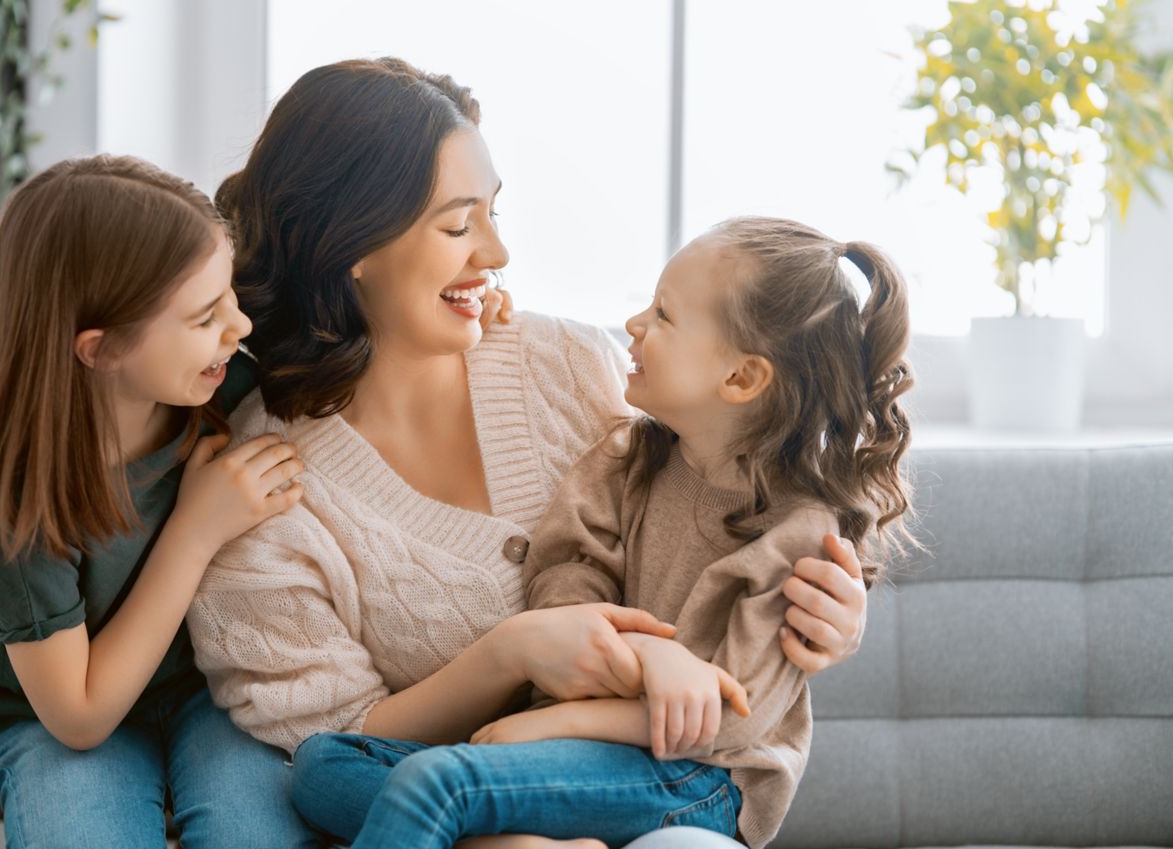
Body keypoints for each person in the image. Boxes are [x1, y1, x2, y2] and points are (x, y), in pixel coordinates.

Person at [187, 58, 871, 847]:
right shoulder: (261, 489)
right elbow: (341, 737)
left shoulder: (577, 370)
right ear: (353, 247)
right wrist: (509, 656)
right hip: (448, 808)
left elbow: (736, 507)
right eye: (457, 224)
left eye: (493, 212)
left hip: (658, 790)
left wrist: (822, 614)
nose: (498, 252)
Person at [294, 217, 917, 849]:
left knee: (437, 784)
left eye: (665, 315)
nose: (635, 325)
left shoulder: (797, 532)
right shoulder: (628, 458)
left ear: (740, 379)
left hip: (694, 780)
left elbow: (729, 719)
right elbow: (564, 573)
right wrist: (644, 655)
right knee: (324, 765)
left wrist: (560, 722)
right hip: (582, 750)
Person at [0, 154, 313, 849]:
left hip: (206, 693)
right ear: (101, 347)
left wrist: (494, 323)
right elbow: (79, 715)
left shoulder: (219, 387)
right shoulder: (16, 499)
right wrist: (194, 531)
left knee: (253, 831)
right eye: (206, 315)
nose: (238, 328)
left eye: (228, 296)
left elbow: (369, 362)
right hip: (59, 722)